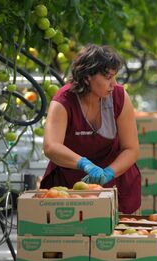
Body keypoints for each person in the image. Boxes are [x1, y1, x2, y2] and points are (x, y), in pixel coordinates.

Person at [41, 44, 141, 214]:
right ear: (87, 77)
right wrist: (85, 164)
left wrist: (109, 172)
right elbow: (51, 146)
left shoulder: (119, 97)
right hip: (70, 185)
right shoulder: (63, 101)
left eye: (114, 77)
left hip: (115, 181)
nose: (114, 83)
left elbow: (131, 149)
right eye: (108, 77)